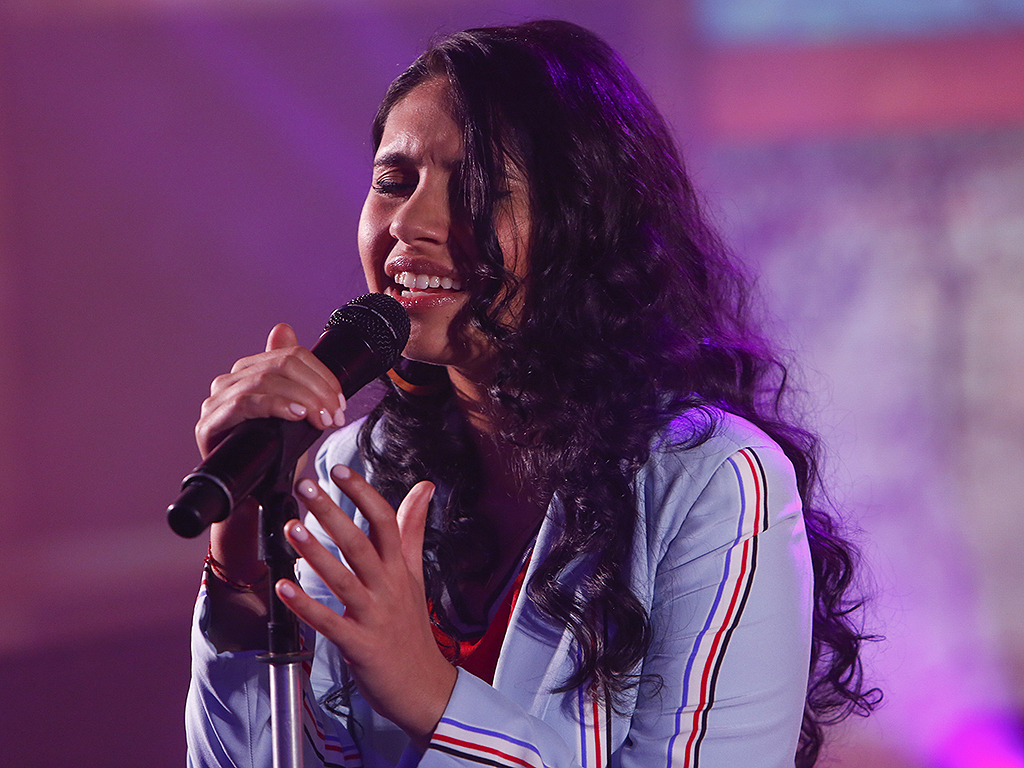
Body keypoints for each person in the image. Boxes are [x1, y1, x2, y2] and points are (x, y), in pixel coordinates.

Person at [185, 19, 879, 768]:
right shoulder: (352, 472)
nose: (410, 223)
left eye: (475, 189)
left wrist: (432, 698)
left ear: (585, 226)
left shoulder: (714, 479)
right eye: (394, 181)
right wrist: (241, 579)